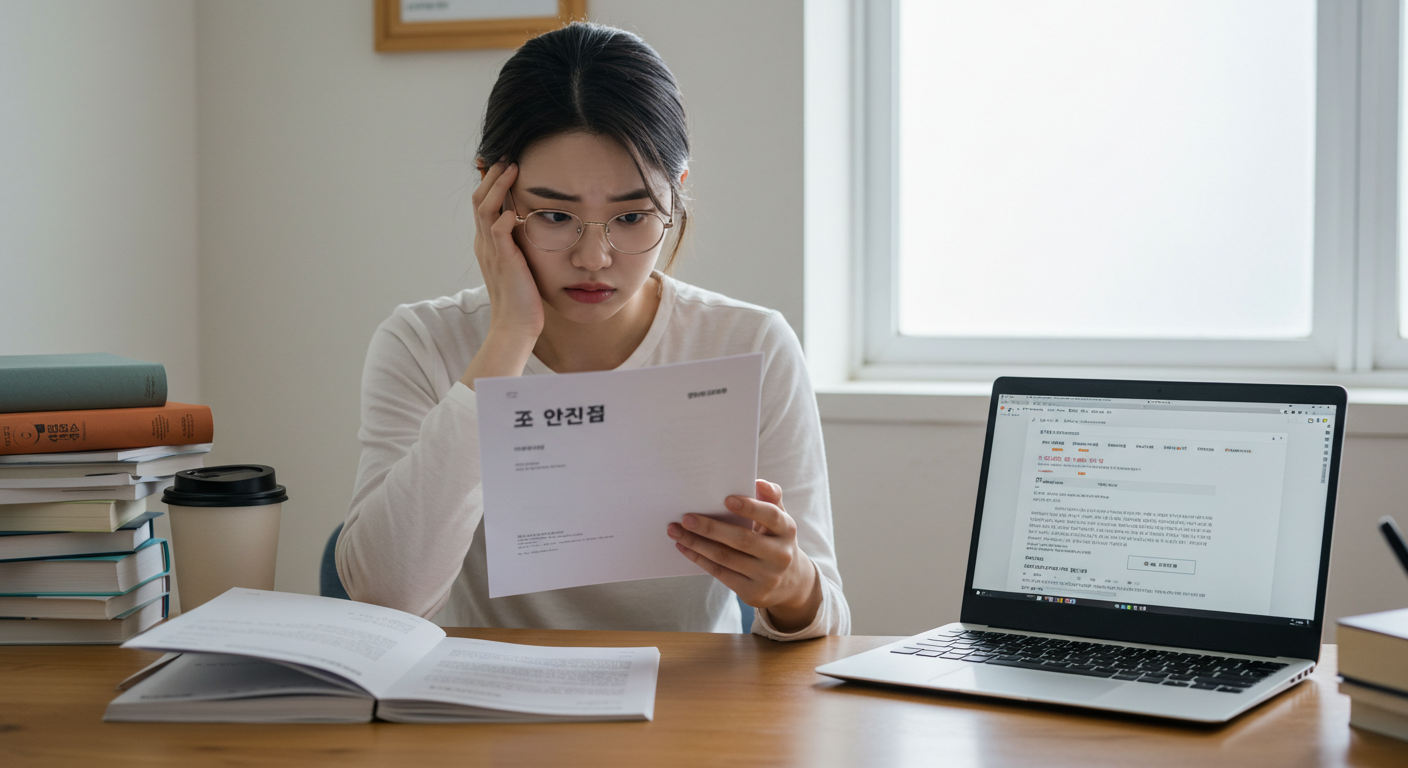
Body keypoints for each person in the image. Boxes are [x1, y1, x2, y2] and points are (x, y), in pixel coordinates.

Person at [336, 22, 848, 640]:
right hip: (483, 710)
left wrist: (791, 587)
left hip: (690, 712)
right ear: (492, 196)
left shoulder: (749, 345)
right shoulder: (424, 344)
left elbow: (830, 621)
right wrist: (506, 340)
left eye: (632, 217)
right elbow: (385, 599)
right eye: (555, 215)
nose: (595, 258)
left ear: (676, 195)